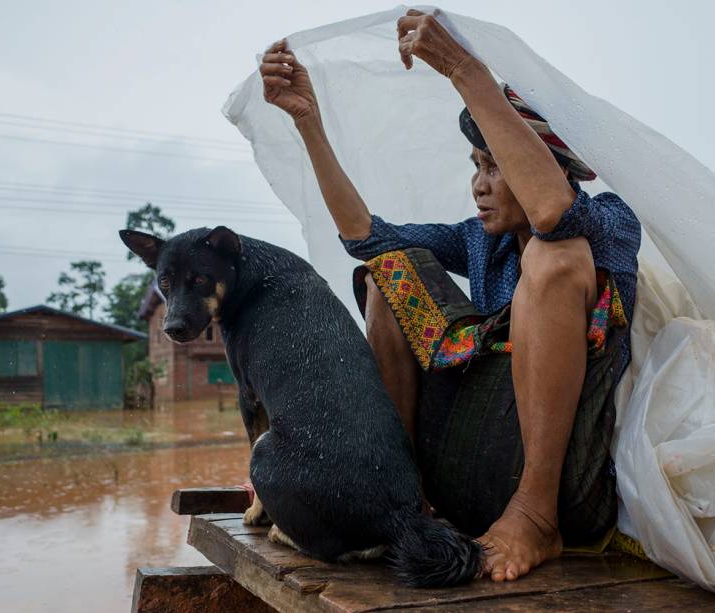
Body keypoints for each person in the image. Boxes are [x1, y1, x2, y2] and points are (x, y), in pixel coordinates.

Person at [258, 9, 640, 582]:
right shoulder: (475, 241)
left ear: (549, 167)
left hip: (561, 480)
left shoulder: (609, 222)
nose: (479, 184)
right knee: (393, 271)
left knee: (553, 254)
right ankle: (400, 493)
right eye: (476, 166)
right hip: (468, 461)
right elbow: (366, 238)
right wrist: (308, 123)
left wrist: (464, 70)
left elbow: (554, 215)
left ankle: (535, 516)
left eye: (496, 166)